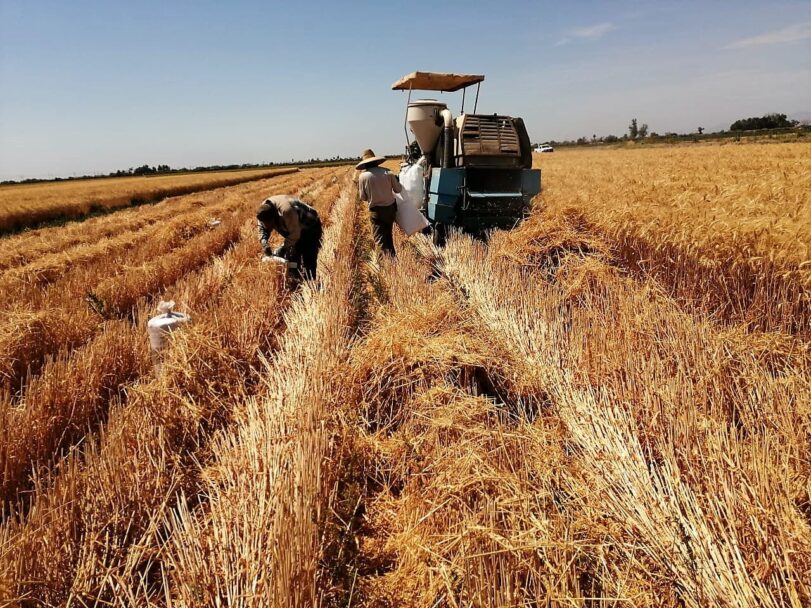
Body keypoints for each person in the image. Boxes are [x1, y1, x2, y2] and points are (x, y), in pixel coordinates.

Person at [257, 195, 322, 280]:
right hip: (293, 227)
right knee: (293, 256)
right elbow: (262, 229)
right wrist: (264, 243)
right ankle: (295, 279)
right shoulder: (263, 212)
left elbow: (295, 234)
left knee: (308, 257)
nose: (268, 226)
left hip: (310, 226)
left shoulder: (286, 210)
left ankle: (310, 283)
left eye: (270, 224)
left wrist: (283, 248)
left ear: (275, 216)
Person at [357, 149, 402, 256]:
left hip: (376, 212)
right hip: (391, 209)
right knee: (389, 236)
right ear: (375, 161)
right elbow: (398, 190)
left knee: (379, 240)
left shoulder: (363, 177)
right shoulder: (388, 172)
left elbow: (363, 197)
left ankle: (384, 267)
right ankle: (393, 260)